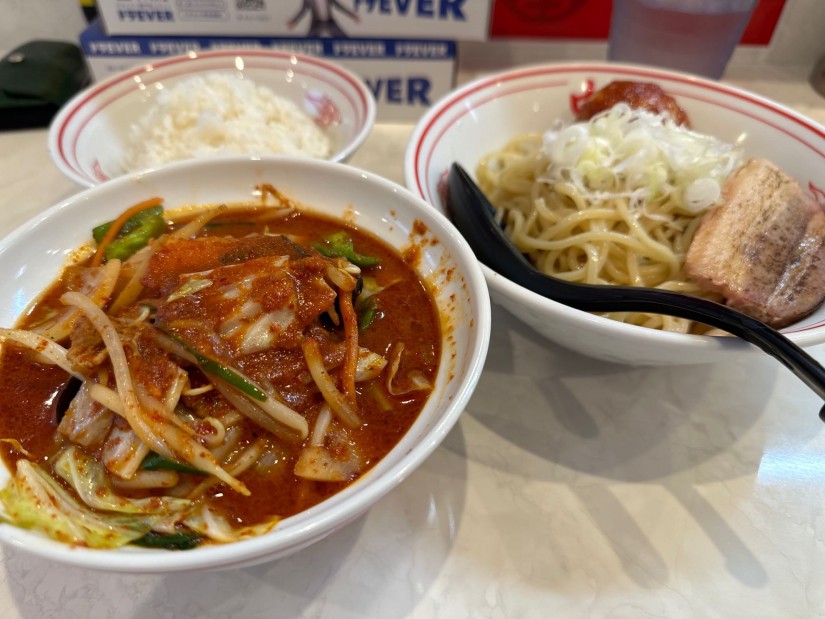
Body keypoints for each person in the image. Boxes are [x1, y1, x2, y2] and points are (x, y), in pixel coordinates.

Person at [287, 0, 360, 37]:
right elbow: (303, 10)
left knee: (343, 39)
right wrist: (294, 20)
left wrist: (352, 15)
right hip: (317, 24)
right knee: (309, 42)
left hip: (330, 23)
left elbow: (338, 6)